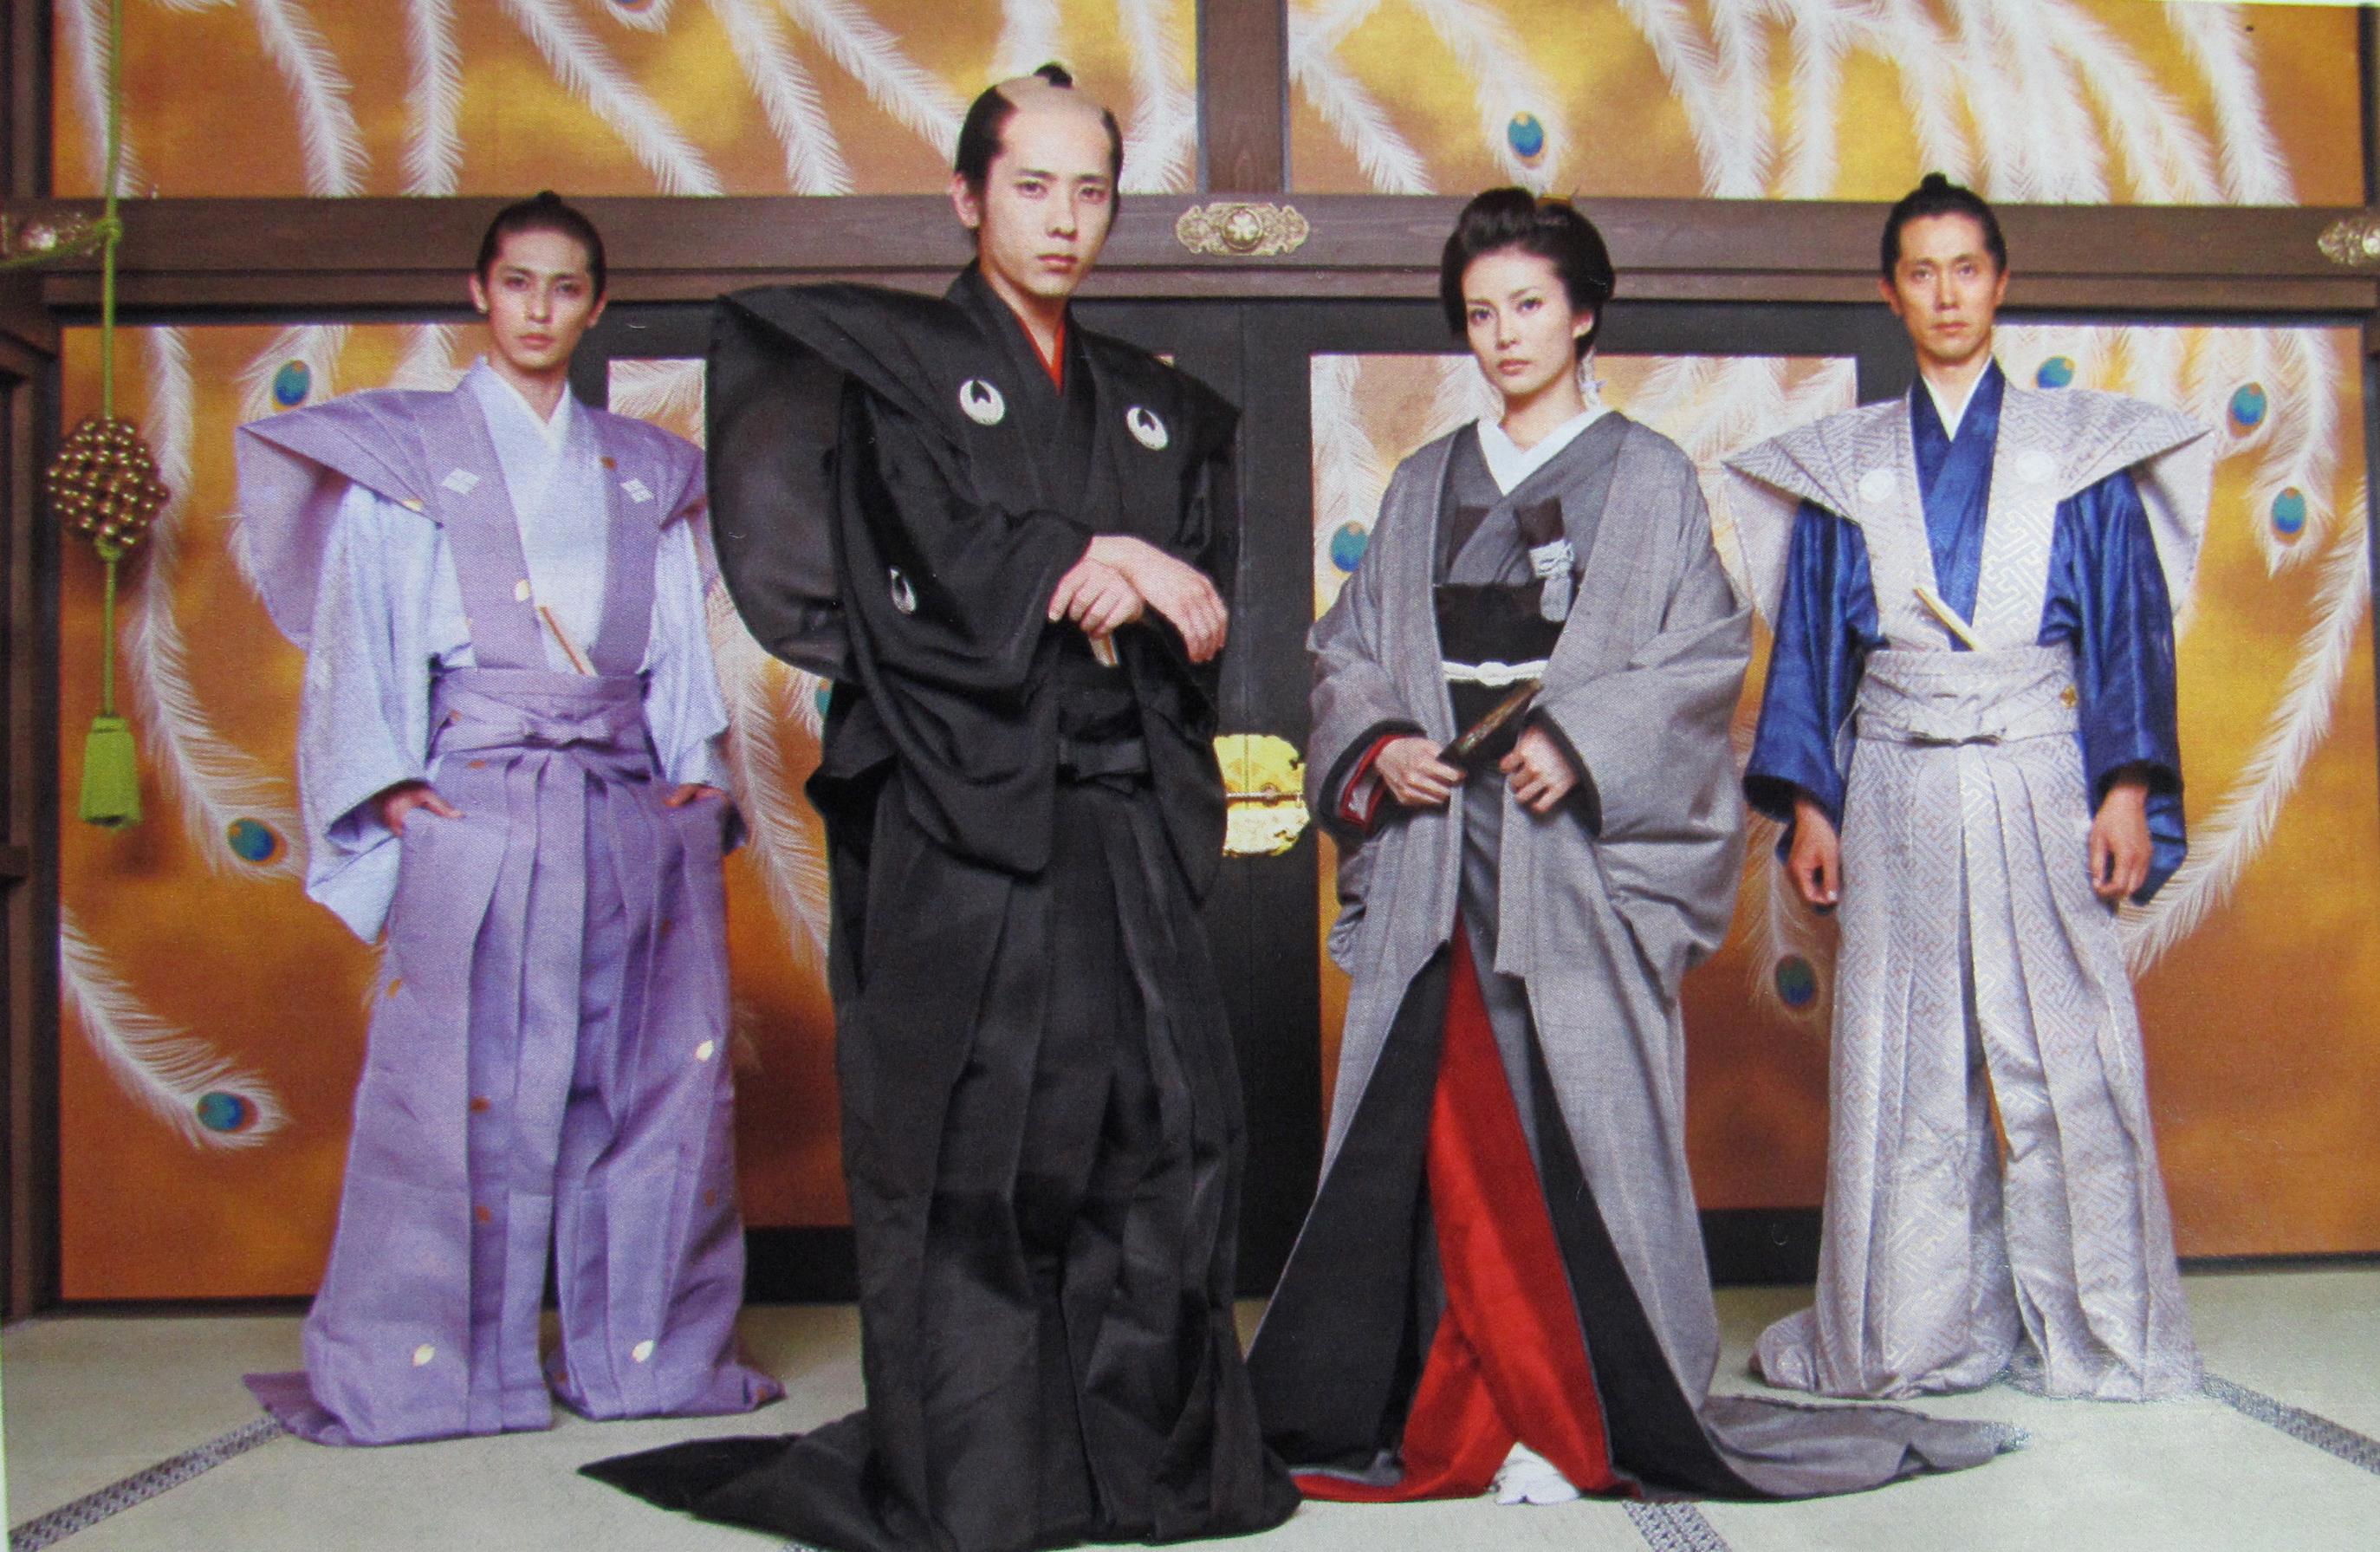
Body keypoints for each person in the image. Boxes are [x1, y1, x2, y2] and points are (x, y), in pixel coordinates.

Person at [581, 67, 1298, 1551]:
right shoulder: (901, 376)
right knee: (974, 1146)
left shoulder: (1153, 406)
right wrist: (1086, 555)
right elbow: (916, 572)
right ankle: (983, 1478)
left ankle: (1145, 1469)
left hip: (1114, 819)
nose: (1063, 219)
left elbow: (1197, 612)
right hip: (969, 825)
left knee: (1159, 1130)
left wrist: (1144, 576)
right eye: (1031, 187)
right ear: (968, 197)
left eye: (1090, 191)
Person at [1244, 188, 2014, 1506]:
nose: (1504, 335)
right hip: (1440, 846)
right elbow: (1348, 649)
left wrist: (1582, 738)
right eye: (1479, 313)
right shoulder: (1423, 480)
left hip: (1573, 853)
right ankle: (1448, 1392)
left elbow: (1703, 656)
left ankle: (1585, 1406)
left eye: (1528, 305)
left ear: (1585, 313)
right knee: (1436, 1124)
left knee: (1579, 1124)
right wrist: (1382, 744)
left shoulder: (1648, 476)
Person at [234, 192, 781, 1445]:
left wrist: (695, 773)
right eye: (518, 282)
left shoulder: (643, 471)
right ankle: (437, 1372)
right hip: (475, 802)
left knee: (648, 1076)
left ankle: (636, 1361)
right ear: (479, 293)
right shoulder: (406, 459)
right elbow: (360, 637)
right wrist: (389, 786)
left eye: (566, 286)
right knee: (449, 1083)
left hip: (625, 800)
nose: (540, 309)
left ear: (596, 305)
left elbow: (675, 648)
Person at [1726, 173, 2210, 1401]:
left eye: (1968, 269)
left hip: (2043, 771)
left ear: (2002, 282)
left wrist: (2126, 789)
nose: (1947, 293)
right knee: (1905, 1059)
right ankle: (1912, 1331)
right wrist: (1813, 807)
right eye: (1921, 272)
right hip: (1893, 779)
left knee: (2068, 1051)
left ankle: (2104, 1330)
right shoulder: (1848, 466)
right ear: (1891, 294)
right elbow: (1813, 650)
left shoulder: (2079, 456)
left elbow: (2127, 631)